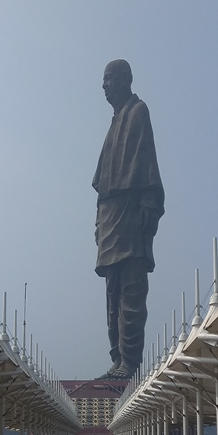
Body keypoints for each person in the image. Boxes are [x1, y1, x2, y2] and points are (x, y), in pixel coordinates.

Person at [94, 59, 165, 379]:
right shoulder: (114, 121)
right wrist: (98, 221)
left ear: (123, 79)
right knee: (112, 291)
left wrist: (149, 203)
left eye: (108, 79)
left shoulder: (138, 111)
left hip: (132, 209)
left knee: (132, 288)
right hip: (110, 214)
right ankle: (117, 357)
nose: (104, 85)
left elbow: (146, 160)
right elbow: (102, 181)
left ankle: (130, 361)